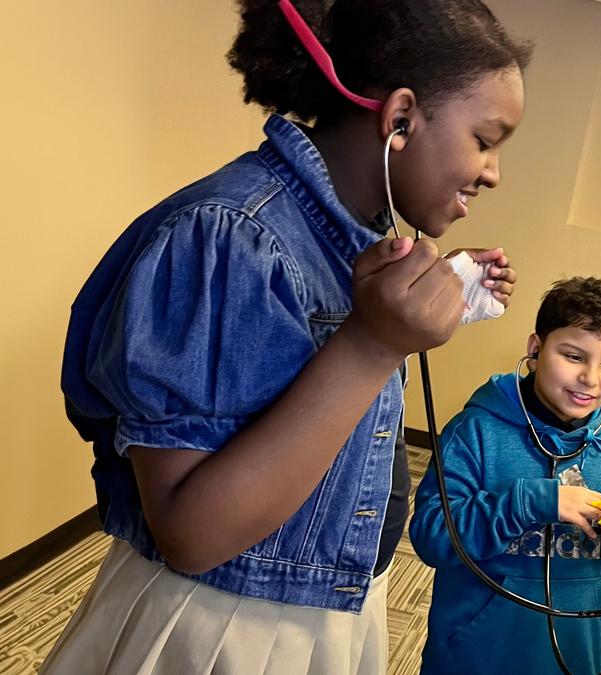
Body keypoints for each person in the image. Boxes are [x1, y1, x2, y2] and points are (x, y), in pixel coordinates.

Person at [44, 1, 530, 672]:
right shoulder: (230, 236)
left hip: (332, 614)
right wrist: (373, 344)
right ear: (400, 118)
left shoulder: (355, 243)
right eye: (487, 138)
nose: (493, 171)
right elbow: (190, 529)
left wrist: (417, 304)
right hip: (225, 627)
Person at [408, 277, 601, 674]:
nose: (591, 380)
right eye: (574, 357)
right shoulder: (475, 431)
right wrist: (533, 502)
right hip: (475, 656)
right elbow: (432, 537)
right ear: (535, 348)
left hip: (573, 659)